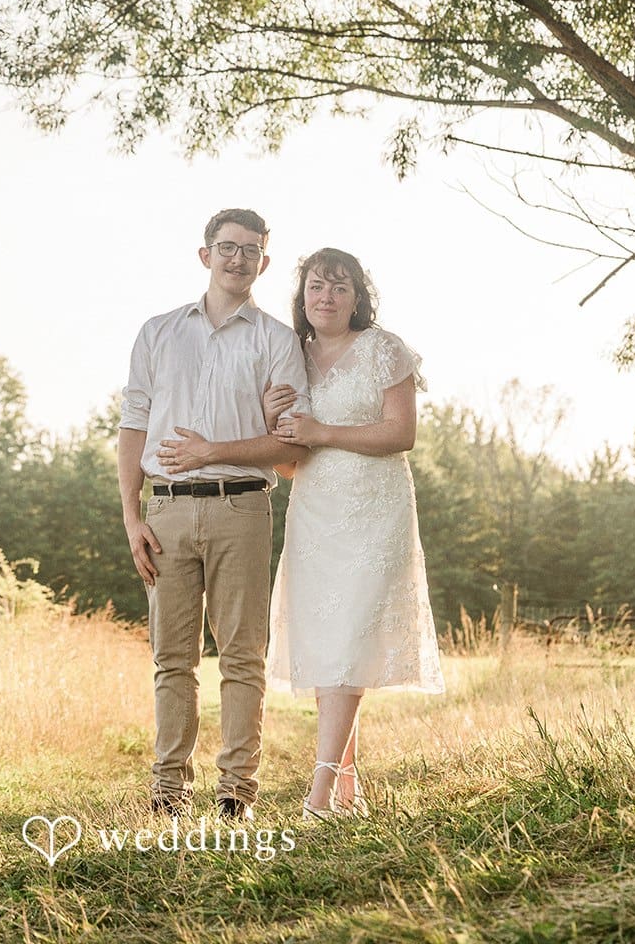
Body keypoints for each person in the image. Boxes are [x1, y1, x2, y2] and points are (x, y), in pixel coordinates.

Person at [118, 208, 309, 820]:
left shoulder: (279, 341)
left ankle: (235, 793)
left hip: (242, 509)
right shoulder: (158, 332)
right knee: (172, 657)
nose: (237, 258)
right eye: (227, 247)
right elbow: (133, 426)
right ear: (206, 255)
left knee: (241, 656)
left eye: (250, 250)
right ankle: (168, 791)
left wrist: (220, 445)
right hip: (167, 511)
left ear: (264, 263)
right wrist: (131, 515)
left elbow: (291, 448)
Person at [264, 247, 444, 819]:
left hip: (374, 511)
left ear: (358, 298)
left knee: (348, 642)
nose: (326, 297)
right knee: (328, 645)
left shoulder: (384, 350)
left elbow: (401, 434)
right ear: (303, 295)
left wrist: (320, 428)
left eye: (340, 288)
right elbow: (289, 462)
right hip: (314, 511)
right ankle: (348, 788)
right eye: (317, 286)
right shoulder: (290, 357)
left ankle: (318, 793)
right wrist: (278, 426)